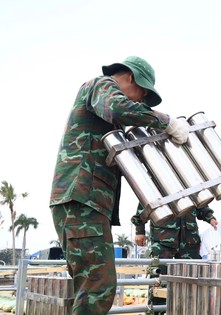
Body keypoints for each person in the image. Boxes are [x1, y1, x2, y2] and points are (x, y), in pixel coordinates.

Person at [49, 56, 190, 315]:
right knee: (98, 287)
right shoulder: (101, 85)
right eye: (142, 94)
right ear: (132, 77)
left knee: (91, 286)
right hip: (81, 201)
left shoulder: (108, 120)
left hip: (85, 203)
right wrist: (165, 121)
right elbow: (118, 107)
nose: (139, 101)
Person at [131, 205, 218, 314]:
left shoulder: (192, 186)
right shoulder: (156, 187)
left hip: (189, 242)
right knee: (159, 281)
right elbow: (145, 205)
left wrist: (210, 218)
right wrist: (140, 231)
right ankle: (157, 312)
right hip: (163, 240)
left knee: (194, 281)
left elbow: (201, 204)